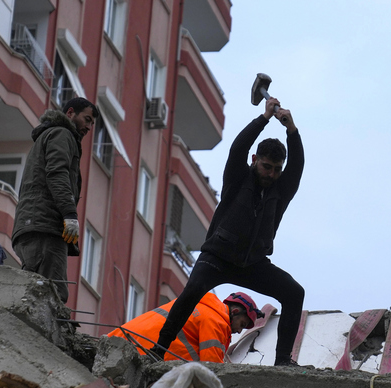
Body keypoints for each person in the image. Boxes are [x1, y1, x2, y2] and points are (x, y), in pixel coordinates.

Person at [153, 97, 305, 366]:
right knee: (192, 292)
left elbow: (297, 166)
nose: (271, 174)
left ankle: (283, 361)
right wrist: (265, 118)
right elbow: (239, 147)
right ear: (255, 160)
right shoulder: (238, 178)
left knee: (294, 293)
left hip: (253, 263)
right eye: (266, 167)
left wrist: (291, 130)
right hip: (217, 257)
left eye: (276, 170)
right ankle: (158, 349)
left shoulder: (281, 191)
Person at [11, 97, 98, 303]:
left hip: (33, 225)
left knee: (35, 291)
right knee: (52, 295)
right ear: (70, 113)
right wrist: (69, 214)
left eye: (92, 123)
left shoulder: (49, 136)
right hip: (45, 227)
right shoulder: (62, 134)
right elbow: (57, 174)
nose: (88, 127)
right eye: (86, 119)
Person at [109, 292, 262, 363]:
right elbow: (212, 368)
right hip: (139, 356)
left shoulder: (197, 304)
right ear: (235, 311)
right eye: (241, 324)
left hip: (116, 343)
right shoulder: (216, 321)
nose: (238, 331)